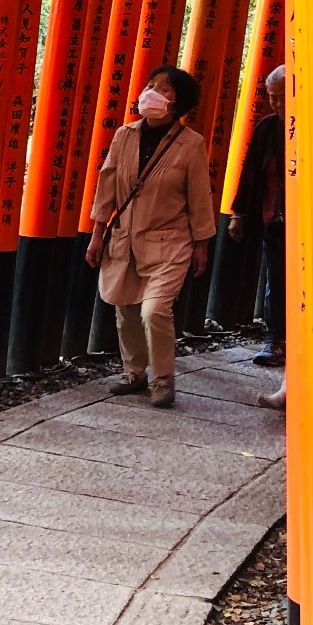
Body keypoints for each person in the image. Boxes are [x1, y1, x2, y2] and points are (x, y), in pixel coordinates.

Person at [85, 65, 216, 408]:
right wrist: (97, 234)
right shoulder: (125, 134)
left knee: (154, 310)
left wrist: (201, 245)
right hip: (125, 236)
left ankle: (163, 379)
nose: (152, 92)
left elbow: (200, 197)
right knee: (125, 307)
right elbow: (107, 185)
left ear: (178, 104)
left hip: (170, 241)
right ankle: (134, 373)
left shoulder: (191, 145)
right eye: (151, 84)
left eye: (165, 89)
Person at [229, 63, 286, 369]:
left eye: (282, 97)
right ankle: (275, 339)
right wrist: (239, 213)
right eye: (272, 97)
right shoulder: (267, 127)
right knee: (275, 280)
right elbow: (250, 172)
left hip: (310, 221)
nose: (276, 103)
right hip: (272, 218)